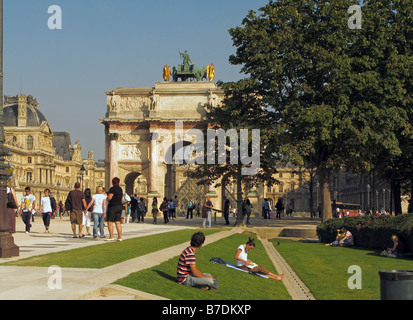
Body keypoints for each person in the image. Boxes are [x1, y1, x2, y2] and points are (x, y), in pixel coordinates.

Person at [106, 177, 123, 241]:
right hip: (119, 206)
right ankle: (119, 237)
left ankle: (111, 236)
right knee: (117, 222)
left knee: (110, 222)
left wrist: (106, 199)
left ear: (112, 182)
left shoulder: (112, 189)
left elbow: (110, 197)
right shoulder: (120, 189)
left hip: (113, 206)